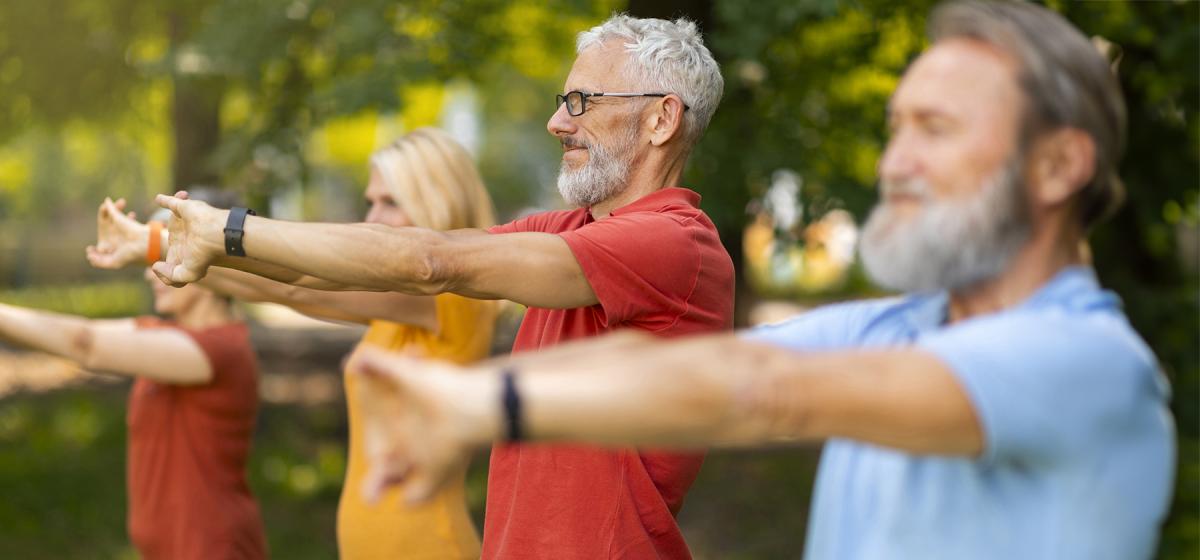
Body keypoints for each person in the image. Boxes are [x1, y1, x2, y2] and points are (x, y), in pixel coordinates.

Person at [345, 2, 1177, 559]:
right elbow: (687, 371)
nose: (894, 163)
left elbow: (764, 388)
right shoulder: (903, 328)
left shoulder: (1085, 362)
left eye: (937, 128)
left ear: (1061, 164)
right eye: (895, 129)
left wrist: (483, 405)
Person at [147, 15, 732, 559]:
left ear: (662, 118)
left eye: (581, 101)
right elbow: (337, 274)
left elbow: (433, 261)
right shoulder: (572, 228)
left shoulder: (674, 245)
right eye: (563, 102)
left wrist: (229, 230)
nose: (558, 121)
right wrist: (186, 243)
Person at [89, 128, 498, 559]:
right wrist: (153, 245)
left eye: (391, 202)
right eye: (370, 201)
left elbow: (298, 288)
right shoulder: (398, 313)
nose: (374, 217)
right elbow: (281, 285)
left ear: (439, 202)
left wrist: (166, 242)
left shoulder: (448, 298)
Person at [0, 205, 267, 560]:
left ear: (209, 263)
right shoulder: (161, 333)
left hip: (211, 548)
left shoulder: (221, 349)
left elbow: (85, 344)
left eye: (165, 255)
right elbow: (71, 332)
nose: (148, 274)